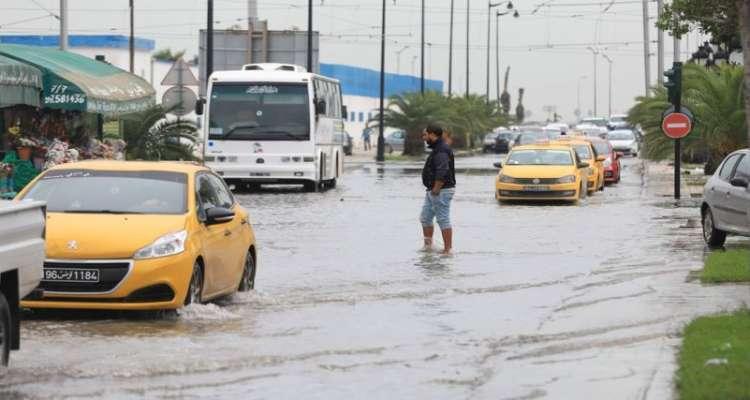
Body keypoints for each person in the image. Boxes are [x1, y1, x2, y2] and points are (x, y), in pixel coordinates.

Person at [420, 124, 456, 254]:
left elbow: (442, 169)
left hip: (441, 190)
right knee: (425, 217)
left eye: (425, 135)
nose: (424, 138)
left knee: (442, 219)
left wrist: (436, 188)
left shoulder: (441, 149)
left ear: (432, 134)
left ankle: (448, 250)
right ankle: (428, 246)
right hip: (432, 190)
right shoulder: (437, 148)